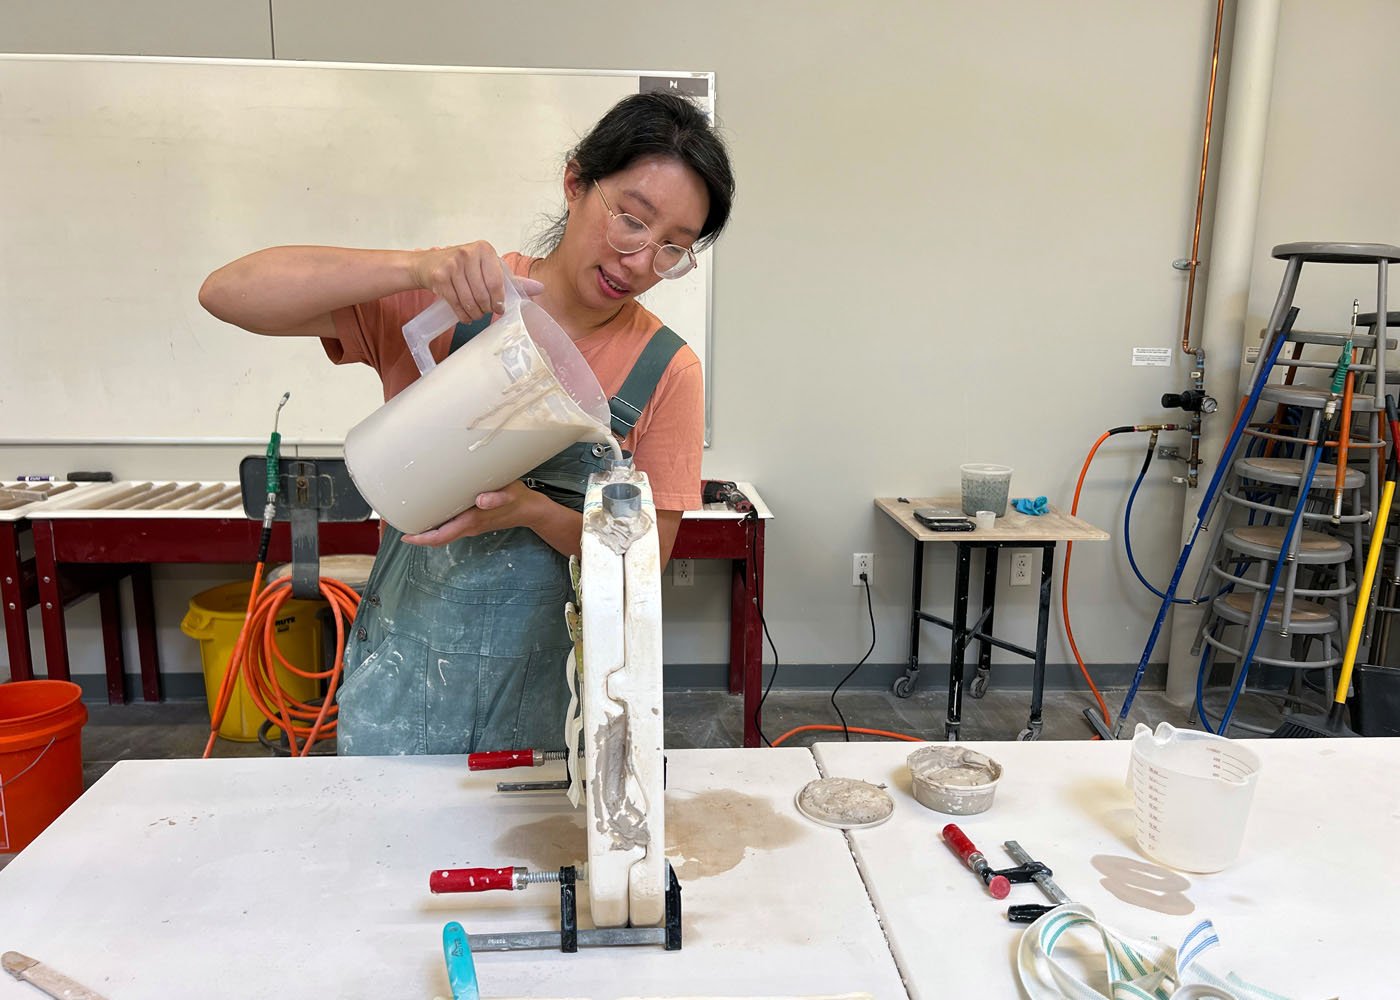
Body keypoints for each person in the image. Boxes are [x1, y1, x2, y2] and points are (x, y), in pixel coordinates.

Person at [199, 92, 735, 756]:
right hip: (402, 688)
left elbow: (641, 564)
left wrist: (531, 510)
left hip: (551, 706)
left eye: (671, 250)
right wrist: (413, 267)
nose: (639, 261)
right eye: (631, 219)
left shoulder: (666, 370)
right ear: (575, 183)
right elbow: (227, 292)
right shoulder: (454, 302)